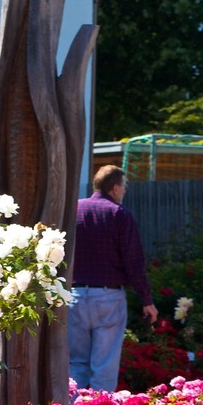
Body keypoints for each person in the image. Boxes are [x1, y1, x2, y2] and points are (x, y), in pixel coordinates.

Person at [67, 166, 158, 392]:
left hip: (74, 295)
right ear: (115, 188)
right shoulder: (119, 214)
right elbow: (134, 261)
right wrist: (146, 300)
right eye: (124, 186)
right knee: (104, 366)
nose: (125, 191)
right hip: (108, 297)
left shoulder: (73, 210)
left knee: (75, 364)